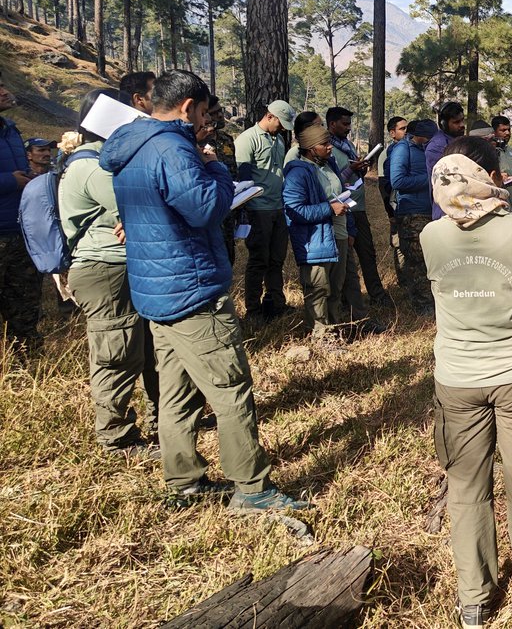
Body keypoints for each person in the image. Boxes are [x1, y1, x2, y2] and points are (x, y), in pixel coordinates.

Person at [100, 69, 310, 513]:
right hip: (192, 288)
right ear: (187, 107)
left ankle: (184, 481)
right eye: (202, 113)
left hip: (156, 290)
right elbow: (207, 208)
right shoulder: (173, 148)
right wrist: (213, 166)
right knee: (231, 388)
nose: (204, 121)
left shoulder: (129, 146)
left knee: (177, 392)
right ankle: (252, 489)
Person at [420, 135, 512, 627]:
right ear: (491, 177)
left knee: (466, 489)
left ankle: (474, 599)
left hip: (456, 378)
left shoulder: (431, 236)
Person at [60, 89, 159, 456]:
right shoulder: (91, 166)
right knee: (117, 354)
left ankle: (162, 420)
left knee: (146, 349)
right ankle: (116, 438)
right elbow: (138, 205)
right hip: (105, 270)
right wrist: (136, 214)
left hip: (121, 265)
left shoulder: (102, 161)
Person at [282, 125, 351, 342]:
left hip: (338, 233)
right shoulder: (298, 173)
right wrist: (329, 209)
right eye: (324, 144)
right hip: (315, 239)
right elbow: (295, 210)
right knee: (318, 289)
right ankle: (321, 337)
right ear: (311, 148)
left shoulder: (329, 164)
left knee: (336, 287)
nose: (330, 147)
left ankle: (334, 331)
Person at [235, 100, 295, 322]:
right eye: (281, 123)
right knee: (259, 260)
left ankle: (275, 303)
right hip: (258, 209)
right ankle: (253, 310)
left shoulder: (278, 139)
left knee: (276, 259)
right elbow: (243, 179)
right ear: (270, 117)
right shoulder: (247, 139)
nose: (282, 129)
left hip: (279, 207)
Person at [327, 106, 389, 306]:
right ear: (332, 124)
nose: (348, 128)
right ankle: (346, 300)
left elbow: (353, 175)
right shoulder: (326, 148)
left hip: (358, 207)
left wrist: (360, 169)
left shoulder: (347, 145)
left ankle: (377, 295)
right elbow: (330, 180)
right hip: (341, 209)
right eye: (344, 124)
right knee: (345, 258)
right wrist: (350, 169)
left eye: (349, 124)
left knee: (367, 252)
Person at [0, 71, 41, 357]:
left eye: (3, 85)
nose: (4, 91)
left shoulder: (11, 129)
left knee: (25, 302)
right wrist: (10, 181)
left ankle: (28, 360)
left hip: (18, 231)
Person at [390, 118, 436, 317]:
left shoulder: (426, 149)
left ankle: (431, 302)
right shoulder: (403, 149)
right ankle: (422, 306)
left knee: (430, 259)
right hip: (412, 213)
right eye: (428, 138)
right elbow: (397, 181)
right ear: (418, 135)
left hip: (430, 211)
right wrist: (431, 177)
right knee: (418, 260)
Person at [197, 96, 239, 264]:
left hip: (230, 207)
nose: (220, 116)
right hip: (211, 209)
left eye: (220, 111)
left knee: (229, 256)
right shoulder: (197, 144)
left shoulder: (226, 140)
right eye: (214, 113)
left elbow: (234, 172)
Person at [427, 102, 467, 220]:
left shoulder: (459, 140)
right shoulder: (437, 146)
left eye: (462, 120)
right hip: (446, 211)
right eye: (456, 122)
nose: (462, 125)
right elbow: (448, 180)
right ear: (444, 124)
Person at [378, 116, 408, 221]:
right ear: (392, 133)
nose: (406, 131)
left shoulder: (412, 149)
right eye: (402, 129)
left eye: (407, 128)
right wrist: (391, 213)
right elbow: (384, 186)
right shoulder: (386, 154)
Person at [492, 115, 512, 213]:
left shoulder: (510, 150)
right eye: (503, 130)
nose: (507, 133)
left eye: (508, 130)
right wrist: (498, 176)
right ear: (494, 132)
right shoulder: (489, 150)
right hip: (498, 203)